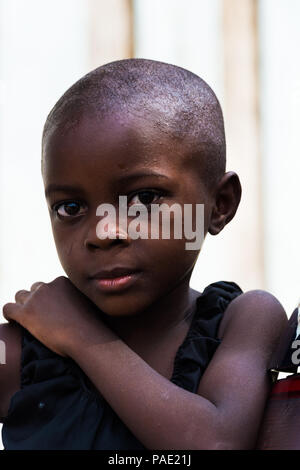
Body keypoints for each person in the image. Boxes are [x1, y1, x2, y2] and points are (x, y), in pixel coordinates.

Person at [0, 59, 287, 450]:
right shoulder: (20, 354)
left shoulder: (244, 322)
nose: (103, 233)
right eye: (70, 208)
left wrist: (81, 336)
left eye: (144, 199)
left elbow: (216, 444)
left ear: (220, 204)